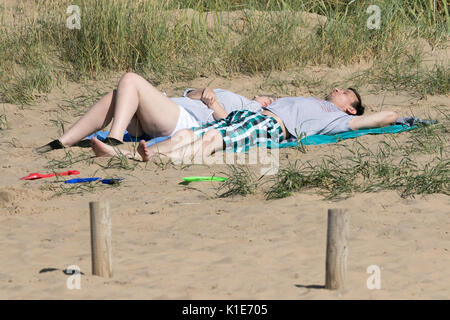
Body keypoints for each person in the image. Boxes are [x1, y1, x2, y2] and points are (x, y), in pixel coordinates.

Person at [90, 87, 399, 162]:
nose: (339, 89)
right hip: (252, 115)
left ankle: (163, 161)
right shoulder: (308, 98)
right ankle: (129, 155)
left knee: (211, 139)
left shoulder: (338, 118)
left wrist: (356, 120)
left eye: (347, 93)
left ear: (350, 108)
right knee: (189, 132)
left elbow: (390, 117)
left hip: (272, 128)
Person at [34, 72, 274, 153]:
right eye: (266, 95)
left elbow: (232, 127)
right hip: (170, 107)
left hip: (184, 121)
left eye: (271, 100)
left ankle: (114, 138)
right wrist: (204, 91)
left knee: (130, 79)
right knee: (116, 96)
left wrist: (215, 106)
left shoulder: (249, 107)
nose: (266, 98)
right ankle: (63, 141)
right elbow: (188, 93)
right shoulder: (229, 91)